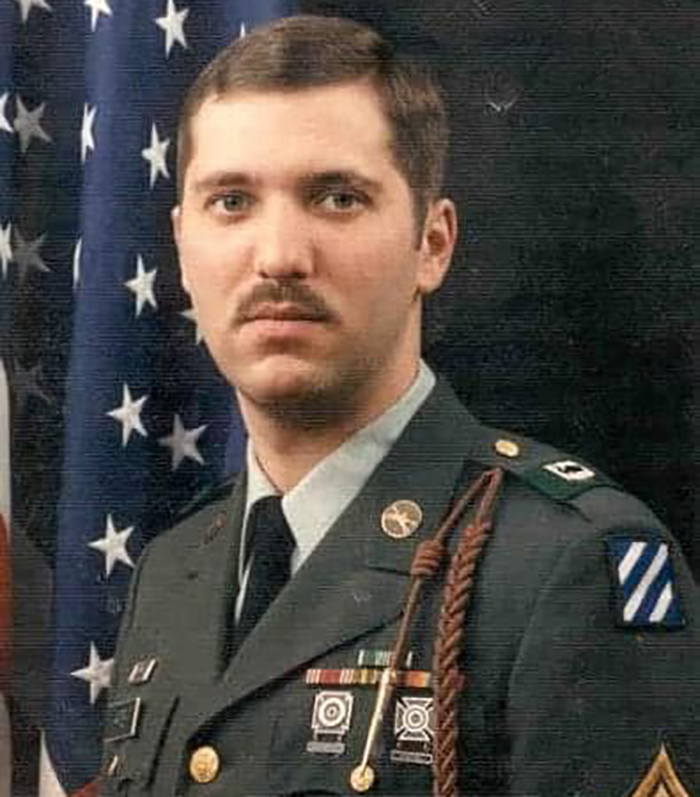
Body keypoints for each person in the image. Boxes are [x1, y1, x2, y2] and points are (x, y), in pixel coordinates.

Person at [100, 14, 699, 797]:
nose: (279, 255)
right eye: (232, 201)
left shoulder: (571, 566)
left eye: (338, 197)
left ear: (433, 243)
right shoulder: (174, 569)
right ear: (182, 247)